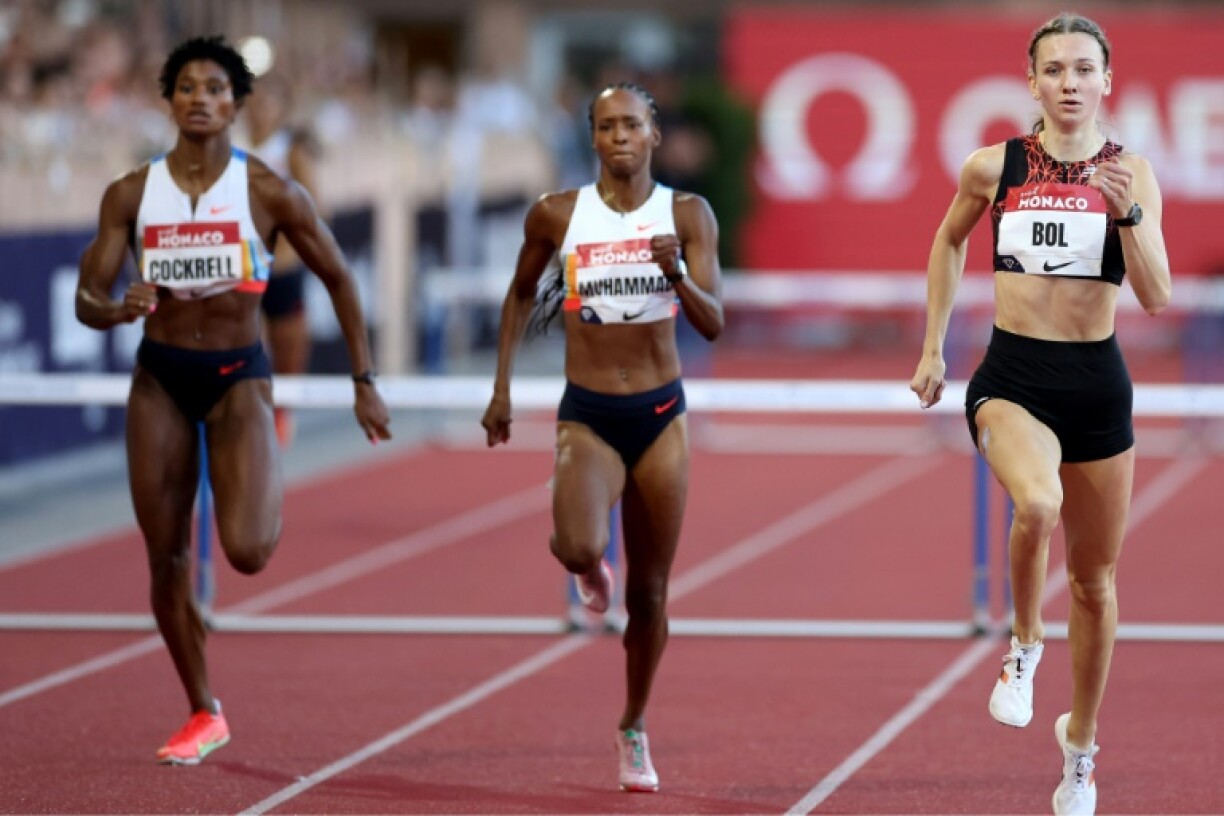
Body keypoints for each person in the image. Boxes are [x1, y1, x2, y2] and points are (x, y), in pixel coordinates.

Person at [74, 35, 391, 766]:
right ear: (169, 101)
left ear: (236, 105)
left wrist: (363, 382)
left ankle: (253, 490)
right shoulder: (130, 193)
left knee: (247, 551)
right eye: (186, 87)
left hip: (238, 378)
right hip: (159, 378)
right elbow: (88, 297)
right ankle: (202, 707)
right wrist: (118, 307)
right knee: (166, 559)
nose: (200, 99)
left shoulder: (269, 190)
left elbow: (340, 278)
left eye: (215, 88)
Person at [909, 14, 1170, 816]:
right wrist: (933, 347)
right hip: (1013, 376)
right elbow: (948, 242)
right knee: (1038, 503)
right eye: (1053, 69)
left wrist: (1126, 216)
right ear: (1031, 83)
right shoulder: (995, 166)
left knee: (1095, 584)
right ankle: (1024, 643)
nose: (1068, 82)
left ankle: (1080, 751)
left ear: (1105, 82)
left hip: (1096, 384)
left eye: (1083, 69)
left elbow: (1157, 299)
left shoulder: (1134, 173)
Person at [480, 82, 723, 793]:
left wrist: (674, 271)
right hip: (587, 412)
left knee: (649, 596)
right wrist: (500, 388)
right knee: (577, 546)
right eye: (607, 126)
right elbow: (520, 292)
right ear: (593, 138)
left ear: (653, 134)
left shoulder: (686, 213)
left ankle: (634, 727)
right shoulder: (558, 214)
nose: (620, 136)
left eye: (632, 125)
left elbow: (713, 322)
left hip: (660, 418)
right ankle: (589, 565)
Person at [240, 70, 320, 446]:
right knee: (244, 343)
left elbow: (317, 206)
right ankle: (247, 411)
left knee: (289, 344)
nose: (259, 110)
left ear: (279, 108)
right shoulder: (231, 147)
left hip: (283, 264)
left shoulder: (290, 150)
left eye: (267, 102)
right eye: (253, 101)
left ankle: (282, 413)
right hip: (241, 263)